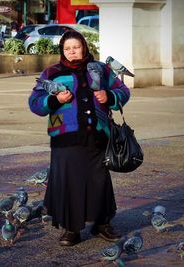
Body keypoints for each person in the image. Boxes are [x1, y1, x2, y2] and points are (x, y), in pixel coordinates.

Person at [28, 30, 130, 247]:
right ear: (62, 51)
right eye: (67, 49)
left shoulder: (100, 69)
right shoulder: (52, 73)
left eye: (76, 47)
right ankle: (71, 229)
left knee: (99, 180)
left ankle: (102, 224)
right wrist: (54, 100)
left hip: (98, 135)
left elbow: (123, 91)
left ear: (84, 47)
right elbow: (35, 103)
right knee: (69, 183)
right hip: (65, 137)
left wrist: (109, 96)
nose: (72, 52)